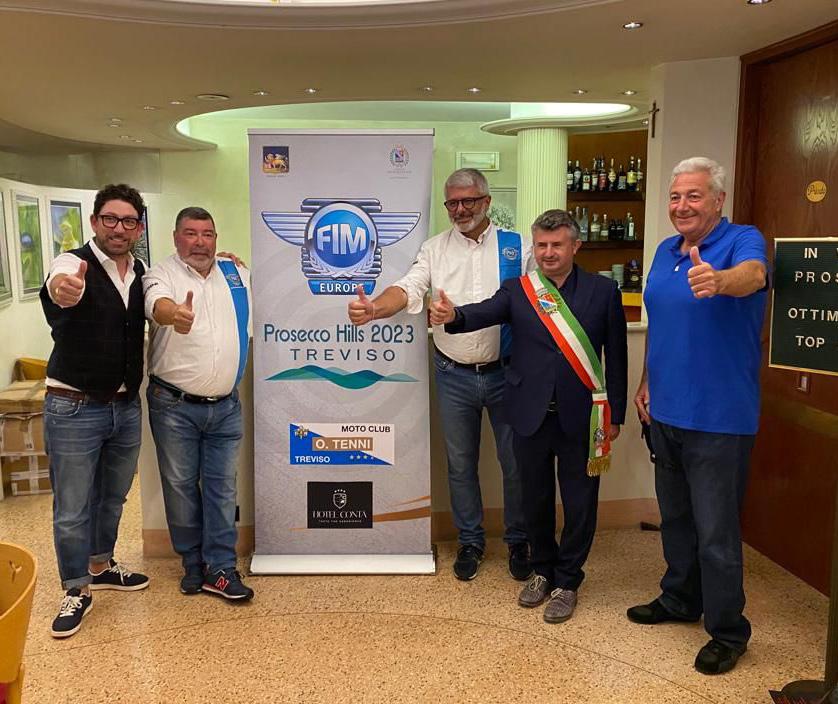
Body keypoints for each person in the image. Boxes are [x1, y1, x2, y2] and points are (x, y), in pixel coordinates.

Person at [431, 208, 627, 622]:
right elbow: (484, 311)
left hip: (583, 417)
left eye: (557, 245)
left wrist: (616, 415)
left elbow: (617, 357)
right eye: (541, 245)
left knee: (579, 502)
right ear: (533, 248)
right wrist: (454, 316)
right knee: (533, 499)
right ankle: (542, 569)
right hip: (528, 414)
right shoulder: (519, 290)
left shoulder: (603, 291)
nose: (548, 253)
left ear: (576, 245)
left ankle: (568, 580)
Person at [347, 168, 533, 581]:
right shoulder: (434, 249)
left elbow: (541, 297)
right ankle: (471, 541)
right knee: (460, 464)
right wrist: (375, 308)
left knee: (516, 463)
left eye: (468, 201)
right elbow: (408, 288)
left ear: (486, 201)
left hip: (508, 374)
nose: (460, 209)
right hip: (454, 376)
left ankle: (519, 540)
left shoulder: (516, 246)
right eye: (453, 202)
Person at [627, 157, 768, 675]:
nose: (681, 205)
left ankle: (728, 631)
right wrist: (646, 380)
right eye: (675, 196)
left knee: (716, 532)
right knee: (677, 520)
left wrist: (719, 279)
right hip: (666, 412)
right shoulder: (665, 250)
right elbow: (661, 325)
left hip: (719, 419)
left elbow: (754, 276)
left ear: (718, 200)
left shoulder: (742, 240)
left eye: (693, 195)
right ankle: (680, 598)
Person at [40, 183, 150, 638]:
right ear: (94, 222)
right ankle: (75, 588)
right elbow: (59, 284)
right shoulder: (73, 263)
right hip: (73, 406)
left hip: (124, 407)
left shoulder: (141, 272)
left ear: (138, 228)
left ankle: (101, 566)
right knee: (72, 506)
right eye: (110, 219)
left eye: (128, 221)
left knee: (113, 496)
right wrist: (62, 290)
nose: (118, 229)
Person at [143, 206, 254, 601]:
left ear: (216, 239)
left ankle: (221, 567)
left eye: (207, 234)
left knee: (223, 489)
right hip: (174, 406)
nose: (200, 242)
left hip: (226, 407)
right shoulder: (160, 274)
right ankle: (192, 563)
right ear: (176, 238)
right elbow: (156, 304)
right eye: (191, 233)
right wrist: (174, 314)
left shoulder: (235, 272)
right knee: (180, 487)